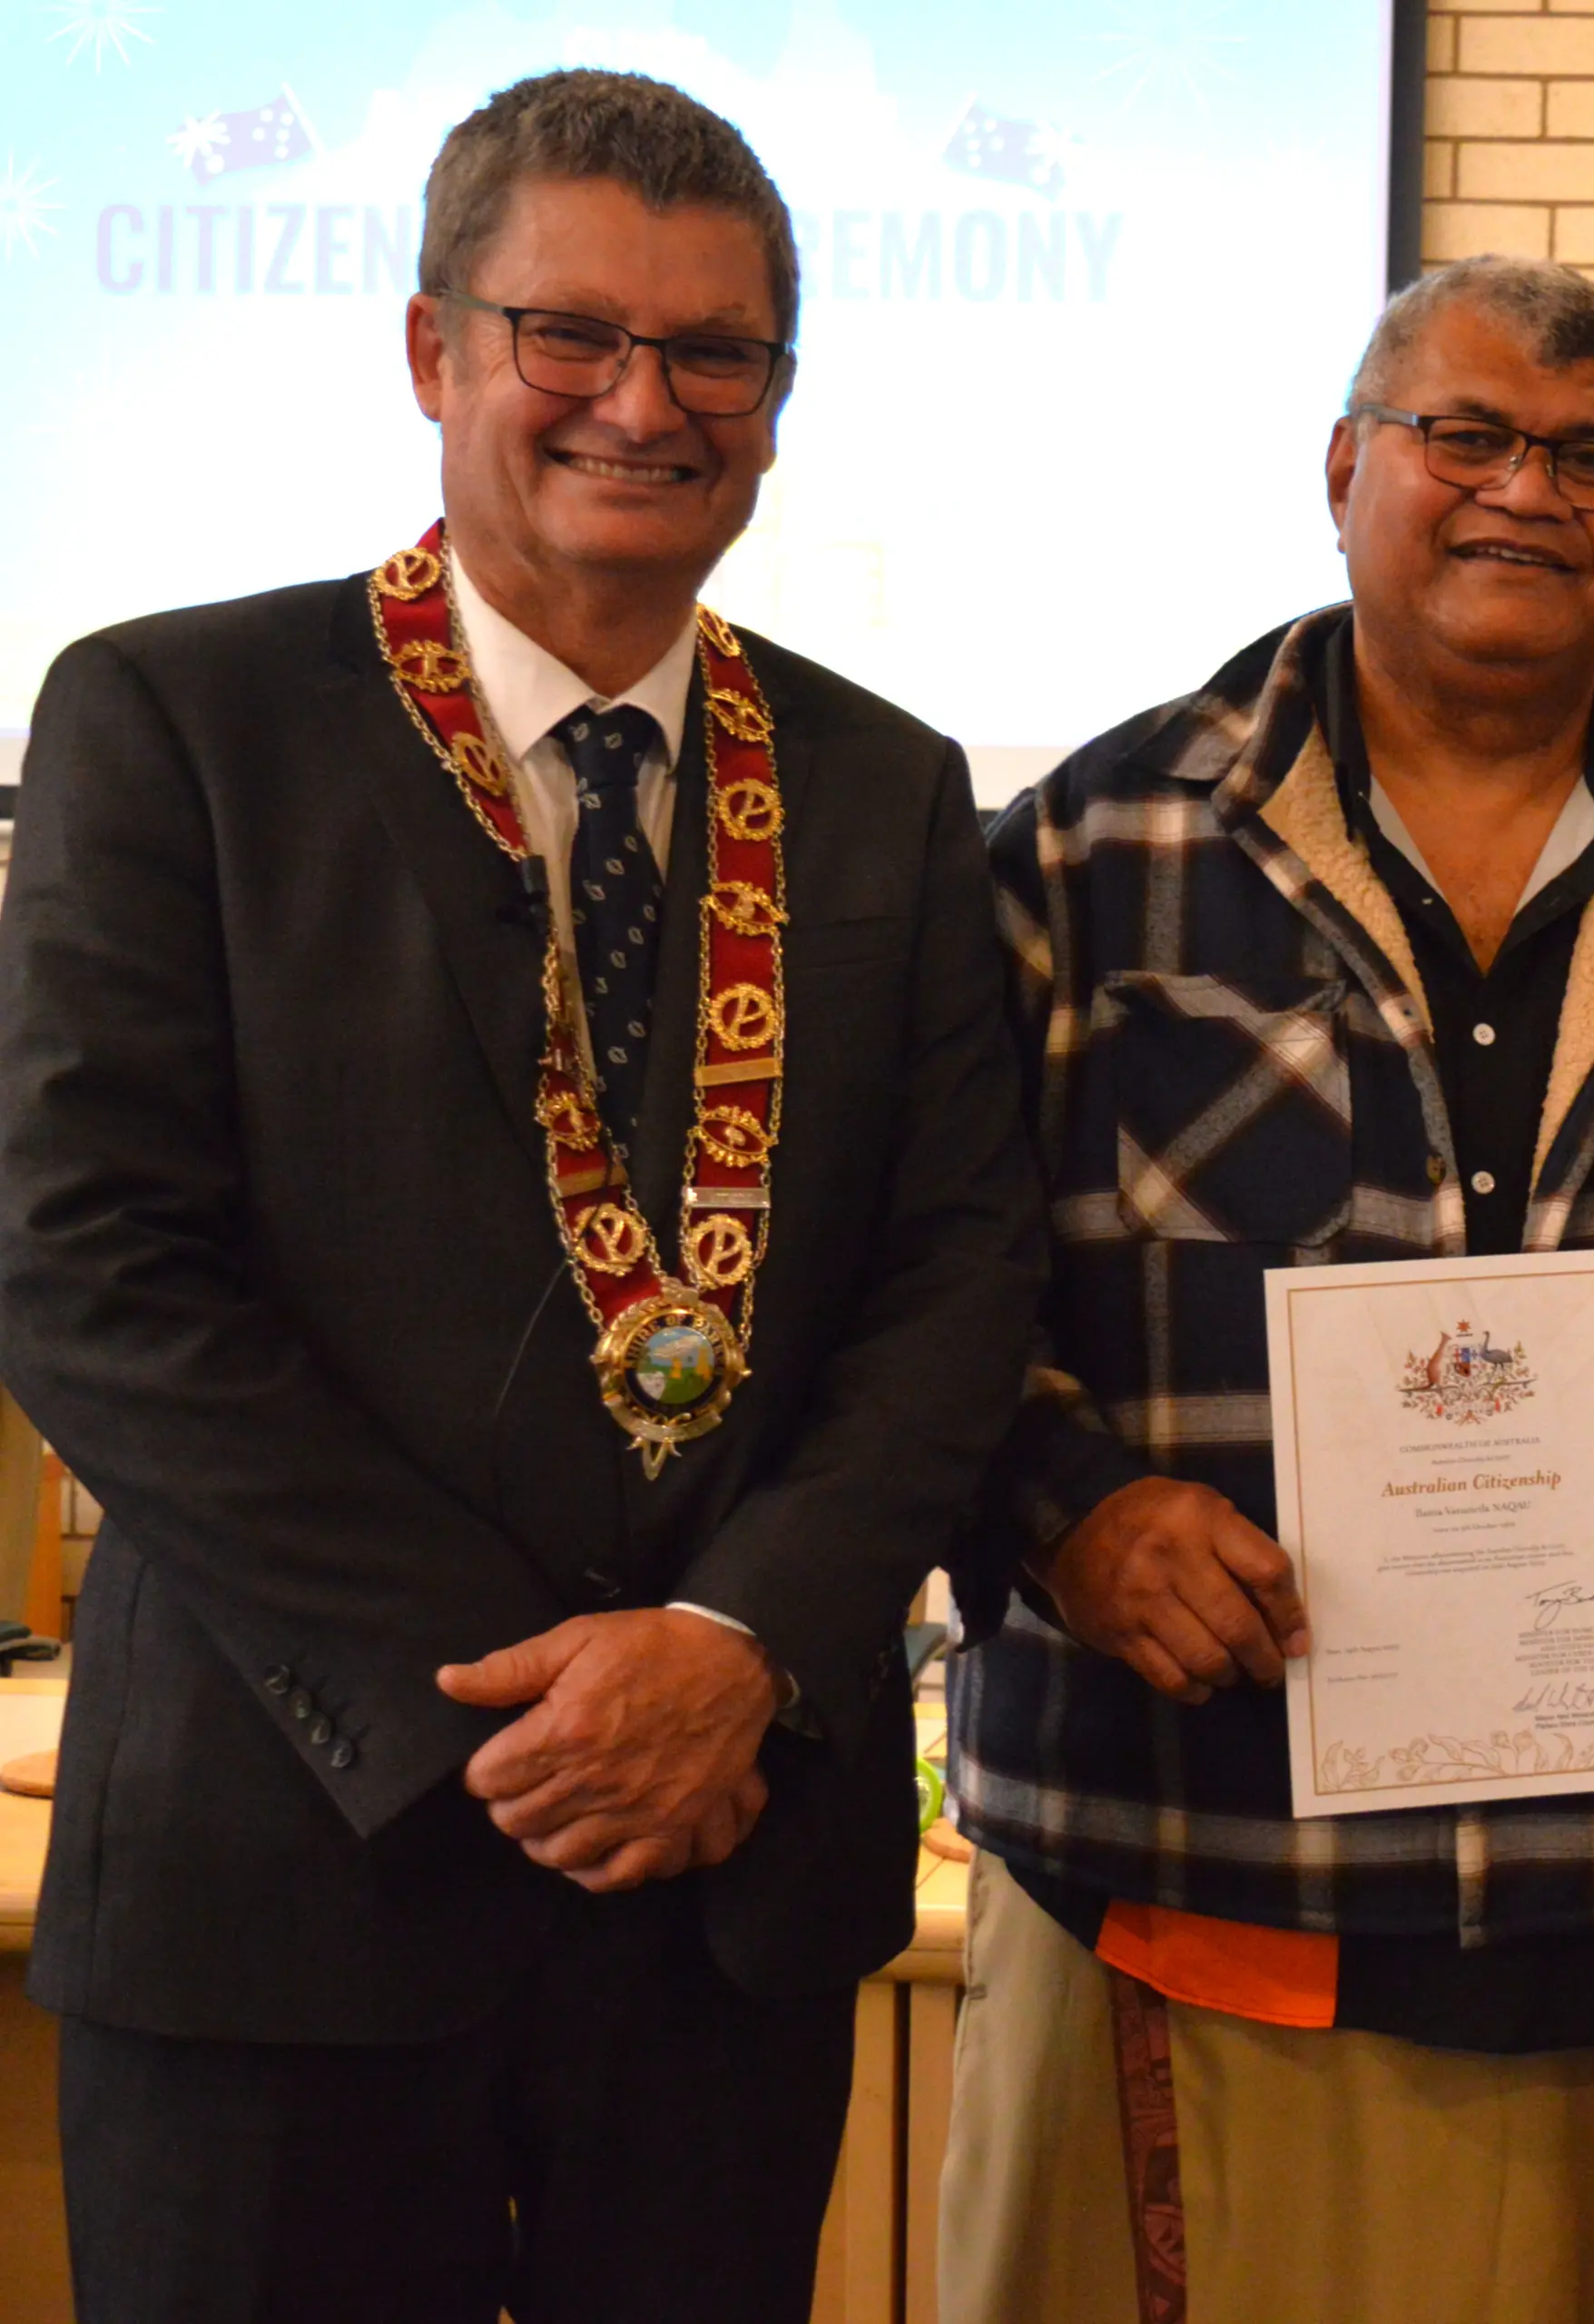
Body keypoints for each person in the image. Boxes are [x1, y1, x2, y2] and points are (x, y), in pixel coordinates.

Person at [0, 70, 1044, 2321]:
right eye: (569, 334)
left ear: (777, 392)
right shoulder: (176, 718)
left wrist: (729, 1649)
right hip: (293, 1868)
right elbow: (84, 1261)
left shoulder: (882, 785)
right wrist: (518, 1703)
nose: (642, 405)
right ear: (432, 353)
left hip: (727, 1883)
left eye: (716, 353)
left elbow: (960, 1274)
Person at [941, 254, 1594, 2324]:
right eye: (1463, 437)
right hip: (1187, 1895)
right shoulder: (1085, 855)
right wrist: (1069, 1505)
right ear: (1341, 470)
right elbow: (918, 1277)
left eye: (1588, 456)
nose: (1524, 494)